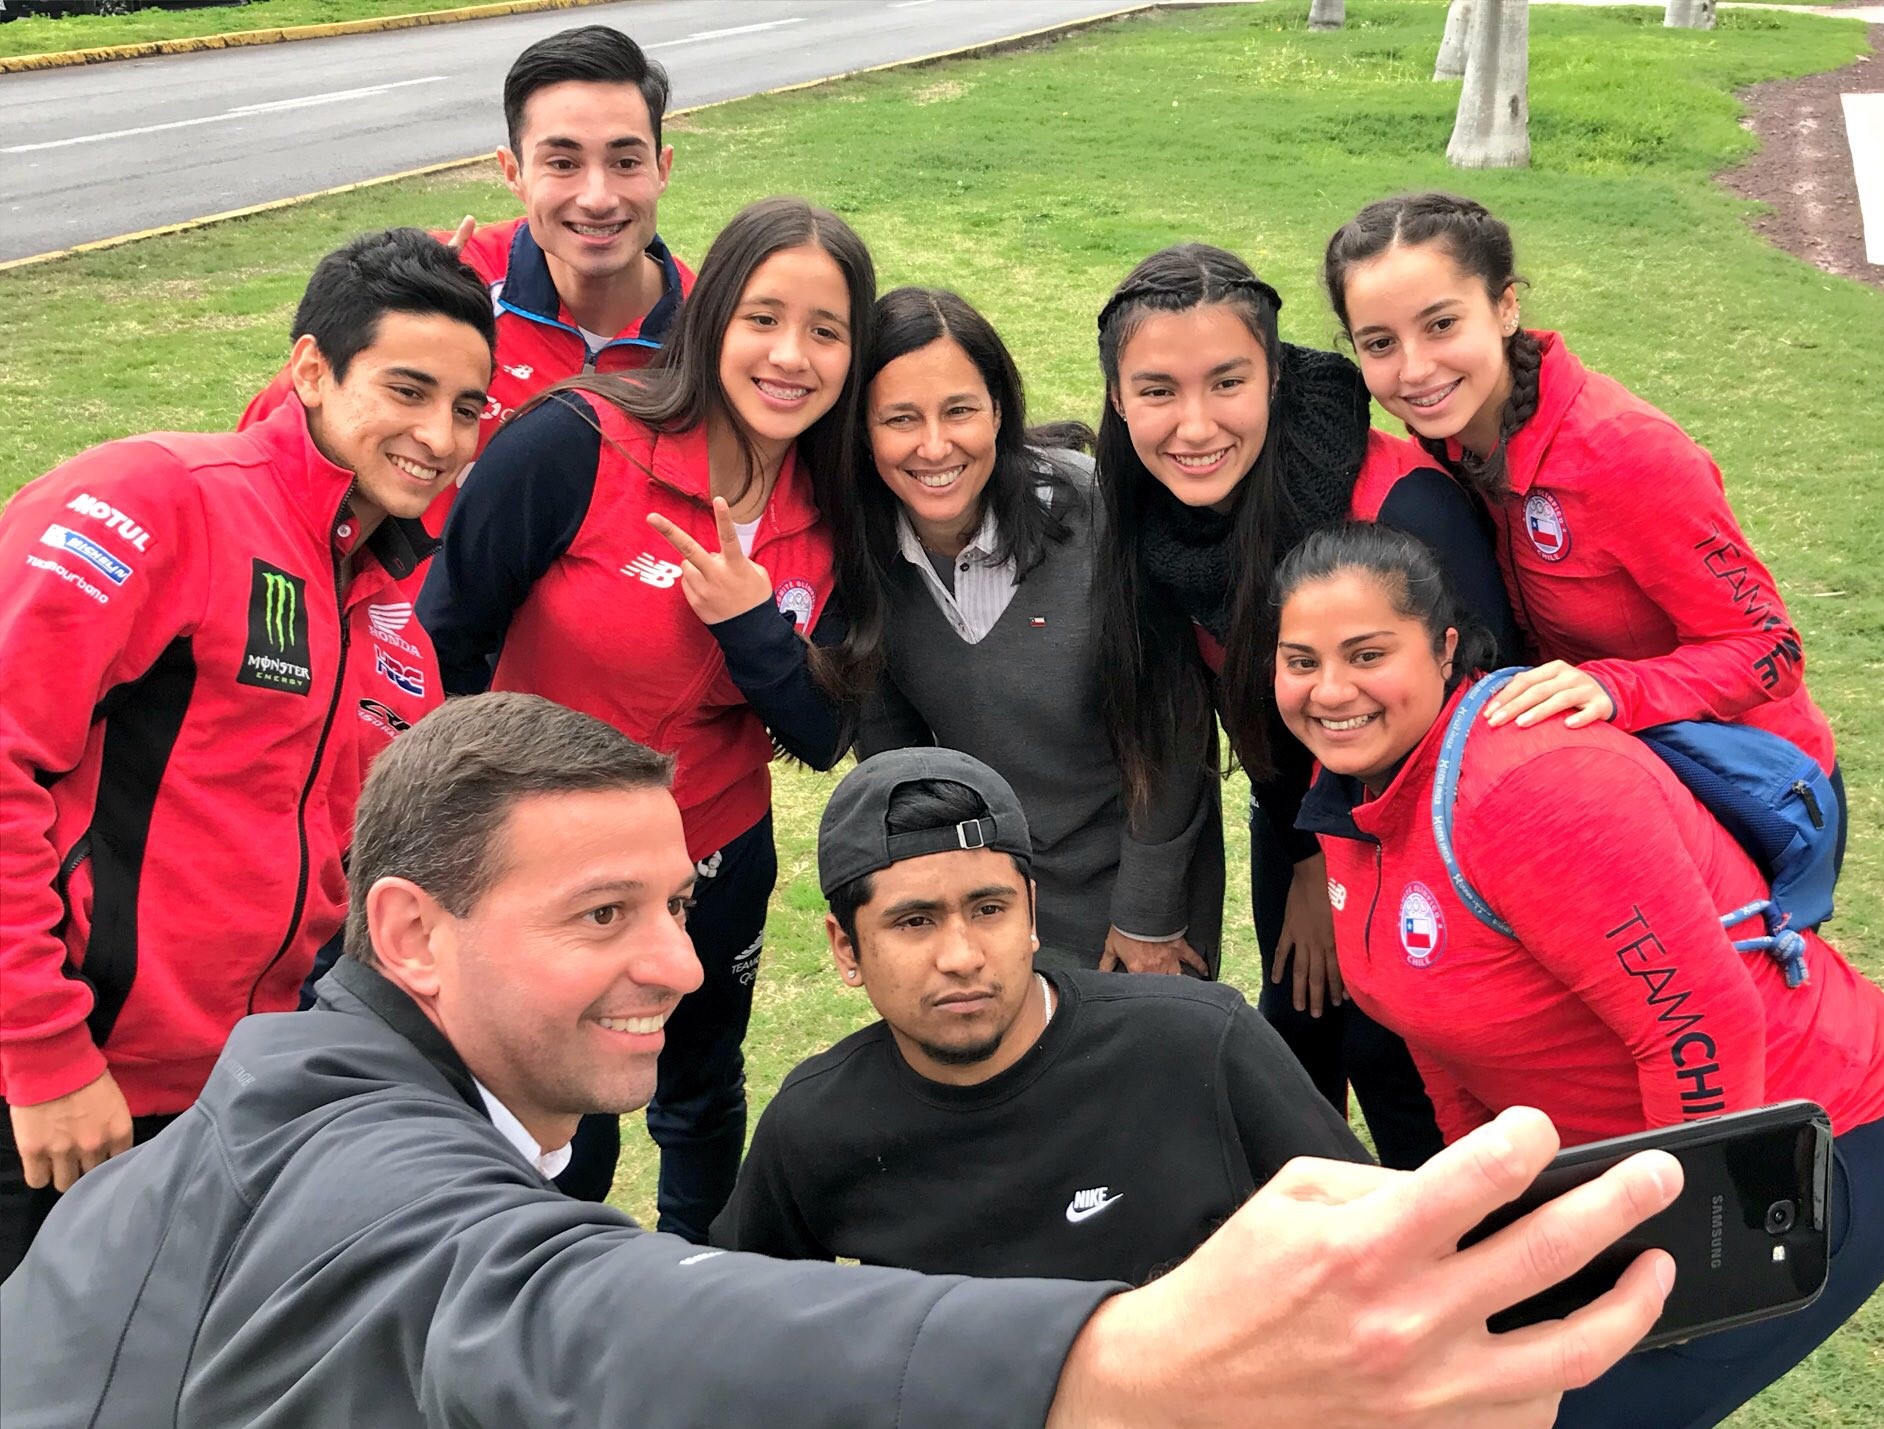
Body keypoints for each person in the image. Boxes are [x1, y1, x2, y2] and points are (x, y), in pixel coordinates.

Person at [0, 690, 1688, 1429]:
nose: (673, 962)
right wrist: (1110, 1383)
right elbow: (574, 1339)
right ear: (410, 936)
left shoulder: (320, 1088)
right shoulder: (350, 1163)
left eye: (672, 904)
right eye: (601, 916)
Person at [1276, 522, 1884, 1429]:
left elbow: (1702, 1028)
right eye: (1300, 660)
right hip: (1608, 1158)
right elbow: (1439, 1026)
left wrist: (1676, 1275)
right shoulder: (1357, 804)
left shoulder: (1530, 786)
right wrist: (1495, 1214)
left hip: (1806, 1141)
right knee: (1522, 1384)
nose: (1330, 689)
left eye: (1367, 654)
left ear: (1444, 649)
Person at [715, 746, 1424, 1429]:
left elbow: (1381, 1261)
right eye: (914, 922)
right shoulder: (816, 1127)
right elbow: (739, 1349)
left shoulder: (1197, 1046)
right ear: (845, 947)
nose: (962, 955)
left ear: (1032, 911)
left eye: (989, 908)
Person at [0, 228, 492, 1281]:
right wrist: (41, 1054)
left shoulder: (390, 597)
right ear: (311, 368)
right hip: (54, 1092)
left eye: (465, 408)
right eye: (406, 389)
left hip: (221, 1102)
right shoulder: (159, 497)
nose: (438, 435)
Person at [418, 196, 867, 1231]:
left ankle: (693, 1292)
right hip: (541, 868)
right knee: (560, 1106)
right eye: (762, 317)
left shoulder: (839, 500)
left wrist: (754, 626)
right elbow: (440, 639)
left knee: (699, 1097)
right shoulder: (576, 441)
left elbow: (820, 729)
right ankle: (537, 1296)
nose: (789, 355)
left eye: (825, 330)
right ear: (708, 318)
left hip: (714, 858)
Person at [1092, 242, 1512, 1169]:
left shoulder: (1398, 508)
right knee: (1295, 1063)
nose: (1194, 424)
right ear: (1118, 400)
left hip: (1434, 844)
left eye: (1227, 382)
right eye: (1157, 390)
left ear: (1276, 379)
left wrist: (1337, 859)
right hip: (1296, 819)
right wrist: (1304, 853)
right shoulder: (1149, 514)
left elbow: (1484, 720)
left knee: (1401, 1070)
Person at [1322, 191, 1844, 868]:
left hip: (1754, 794)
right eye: (1381, 343)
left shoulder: (1625, 452)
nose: (1415, 368)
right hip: (1616, 787)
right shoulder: (1443, 443)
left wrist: (1614, 686)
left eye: (1442, 324)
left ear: (1506, 306)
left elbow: (1770, 648)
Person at [839, 288, 1223, 975]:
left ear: (999, 410)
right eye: (900, 418)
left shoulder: (1099, 514)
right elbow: (895, 763)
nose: (934, 446)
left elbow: (1175, 729)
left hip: (1134, 890)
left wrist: (1147, 917)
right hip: (987, 900)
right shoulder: (861, 554)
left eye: (959, 410)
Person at [239, 24, 696, 534]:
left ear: (662, 168)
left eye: (625, 162)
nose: (597, 196)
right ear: (512, 172)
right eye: (562, 163)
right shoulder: (437, 288)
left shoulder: (714, 331)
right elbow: (269, 454)